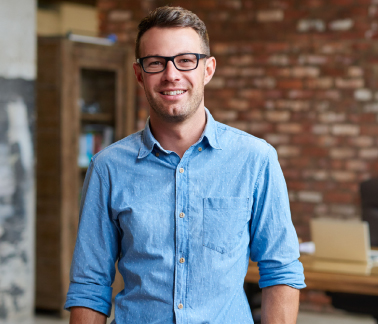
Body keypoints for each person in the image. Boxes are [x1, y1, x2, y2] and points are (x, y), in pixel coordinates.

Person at [65, 6, 305, 324]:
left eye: (185, 60)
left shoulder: (255, 159)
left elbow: (281, 269)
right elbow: (90, 285)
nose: (171, 74)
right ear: (139, 74)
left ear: (208, 69)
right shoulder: (108, 168)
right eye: (155, 63)